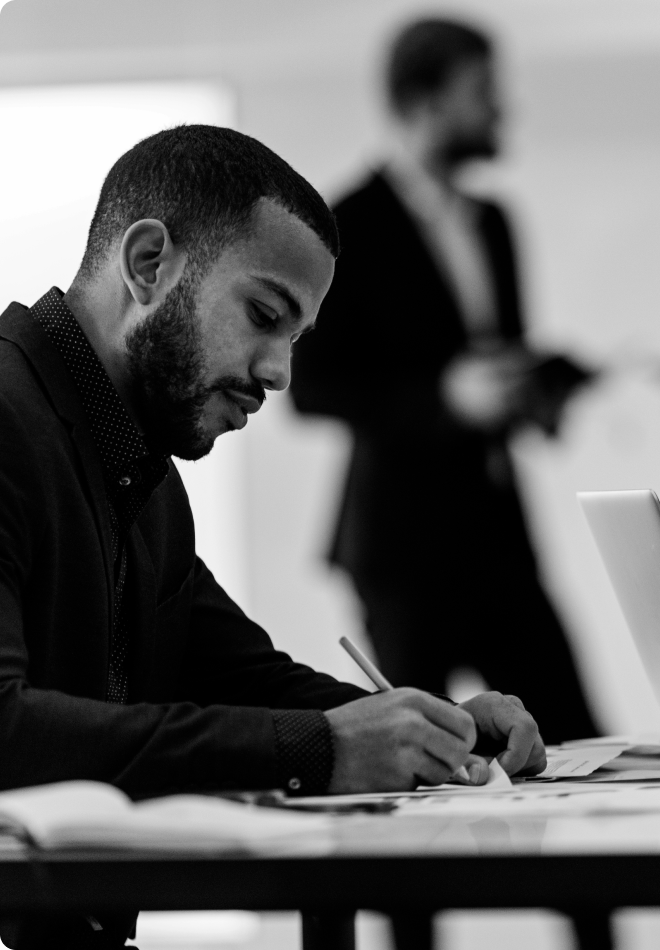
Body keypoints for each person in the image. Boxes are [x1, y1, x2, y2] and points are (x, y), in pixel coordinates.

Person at [0, 124, 546, 950]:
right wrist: (322, 749)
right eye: (264, 315)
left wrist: (424, 730)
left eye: (295, 339)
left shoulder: (136, 468)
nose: (278, 374)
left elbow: (240, 679)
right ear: (149, 264)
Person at [290, 17, 598, 744]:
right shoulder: (345, 225)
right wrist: (444, 398)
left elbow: (497, 356)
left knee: (573, 739)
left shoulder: (495, 221)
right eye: (483, 92)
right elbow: (313, 388)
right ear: (424, 101)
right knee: (418, 750)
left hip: (498, 531)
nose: (502, 109)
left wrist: (539, 390)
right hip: (402, 547)